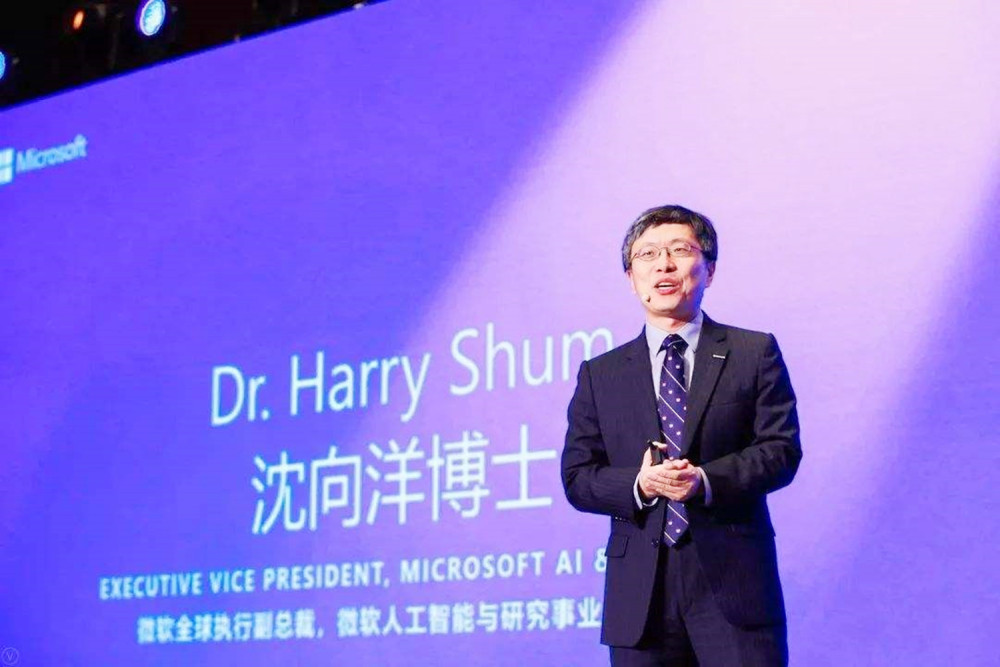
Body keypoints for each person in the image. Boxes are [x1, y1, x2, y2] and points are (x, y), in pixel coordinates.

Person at [561, 205, 802, 666]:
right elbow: (577, 477)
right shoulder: (601, 373)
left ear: (709, 270)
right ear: (631, 278)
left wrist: (704, 480)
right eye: (647, 255)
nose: (664, 265)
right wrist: (640, 484)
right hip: (640, 595)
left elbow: (780, 450)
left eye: (679, 250)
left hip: (733, 585)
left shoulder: (753, 352)